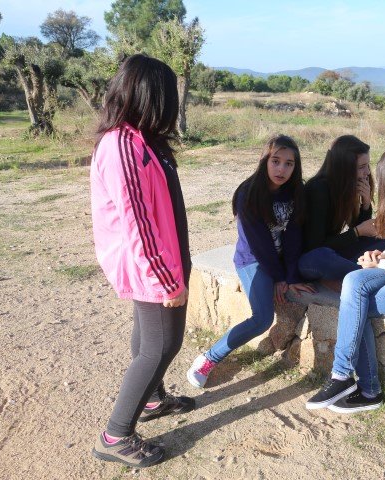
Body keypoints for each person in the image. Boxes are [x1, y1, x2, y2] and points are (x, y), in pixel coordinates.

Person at [90, 54, 194, 468]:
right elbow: (138, 223)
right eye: (168, 97)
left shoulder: (142, 140)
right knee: (161, 344)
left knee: (150, 338)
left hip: (160, 260)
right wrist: (167, 280)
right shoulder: (122, 146)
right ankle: (115, 436)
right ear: (151, 97)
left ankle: (152, 399)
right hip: (150, 265)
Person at [305, 143, 385, 413]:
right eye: (362, 167)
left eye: (373, 170)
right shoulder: (319, 190)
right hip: (328, 258)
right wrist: (383, 255)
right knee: (350, 280)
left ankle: (362, 386)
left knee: (353, 302)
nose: (369, 175)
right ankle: (345, 378)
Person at [187, 135, 315, 388]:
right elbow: (259, 244)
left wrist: (291, 276)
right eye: (275, 161)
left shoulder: (295, 192)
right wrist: (278, 277)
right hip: (253, 259)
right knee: (262, 319)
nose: (281, 169)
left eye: (289, 163)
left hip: (279, 260)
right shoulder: (248, 194)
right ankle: (209, 358)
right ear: (264, 160)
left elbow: (294, 235)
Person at [297, 135, 385, 287]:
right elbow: (315, 246)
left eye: (368, 165)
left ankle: (359, 271)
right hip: (311, 260)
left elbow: (361, 232)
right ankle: (367, 275)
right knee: (321, 256)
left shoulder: (346, 185)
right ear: (344, 168)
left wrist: (366, 203)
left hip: (336, 253)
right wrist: (357, 232)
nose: (367, 172)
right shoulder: (318, 189)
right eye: (362, 167)